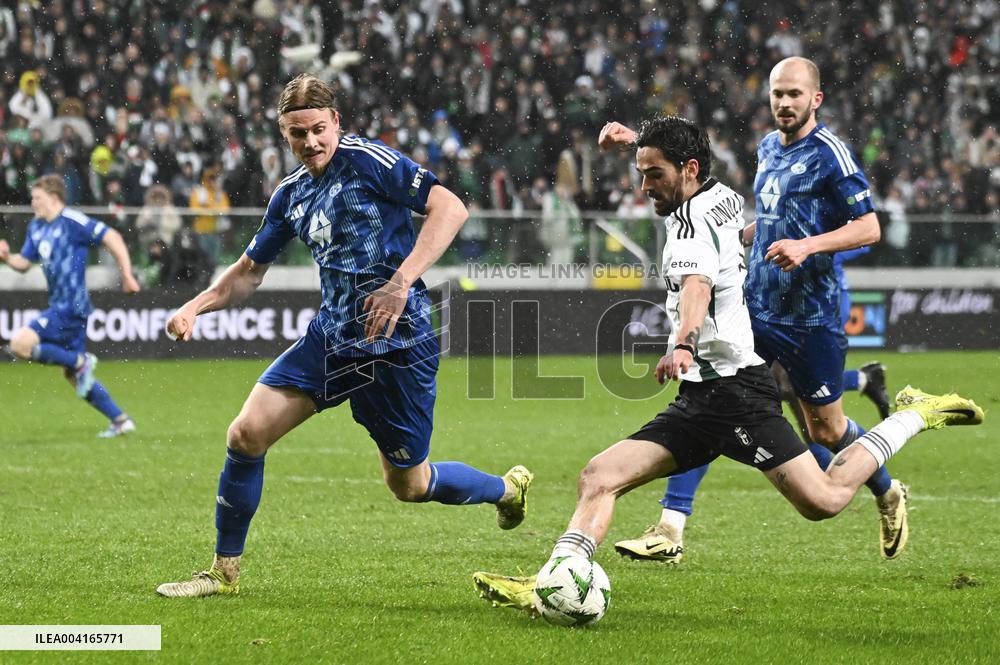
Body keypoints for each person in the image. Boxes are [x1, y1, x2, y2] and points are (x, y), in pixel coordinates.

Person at [471, 115, 983, 614]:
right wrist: (638, 141)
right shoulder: (720, 195)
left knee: (824, 500)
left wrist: (684, 344)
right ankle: (553, 581)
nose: (643, 185)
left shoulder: (690, 231)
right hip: (700, 399)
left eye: (653, 175)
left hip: (738, 397)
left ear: (688, 170)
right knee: (599, 476)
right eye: (641, 172)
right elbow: (682, 157)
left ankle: (915, 413)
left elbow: (696, 288)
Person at [155, 74, 533, 599]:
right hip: (332, 341)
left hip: (397, 345)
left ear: (336, 122)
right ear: (283, 135)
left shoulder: (370, 162)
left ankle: (505, 489)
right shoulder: (290, 195)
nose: (309, 142)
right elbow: (248, 271)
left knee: (410, 485)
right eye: (296, 133)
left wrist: (400, 282)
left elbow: (451, 208)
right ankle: (223, 573)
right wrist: (195, 306)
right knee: (245, 435)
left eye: (317, 129)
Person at [611, 57, 908, 564]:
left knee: (826, 431)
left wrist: (807, 247)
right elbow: (742, 202)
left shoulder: (831, 154)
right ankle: (670, 526)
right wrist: (746, 237)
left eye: (794, 94)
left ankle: (886, 488)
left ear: (815, 99)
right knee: (711, 393)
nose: (784, 103)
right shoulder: (769, 146)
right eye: (777, 94)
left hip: (810, 316)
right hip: (758, 306)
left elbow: (869, 228)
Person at [0, 175, 139, 437]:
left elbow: (113, 238)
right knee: (75, 377)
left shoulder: (73, 222)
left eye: (37, 198)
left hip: (71, 306)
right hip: (60, 305)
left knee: (20, 344)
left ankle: (80, 360)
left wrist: (127, 275)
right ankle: (121, 420)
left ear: (54, 198)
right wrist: (7, 257)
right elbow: (24, 263)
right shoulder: (37, 227)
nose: (33, 202)